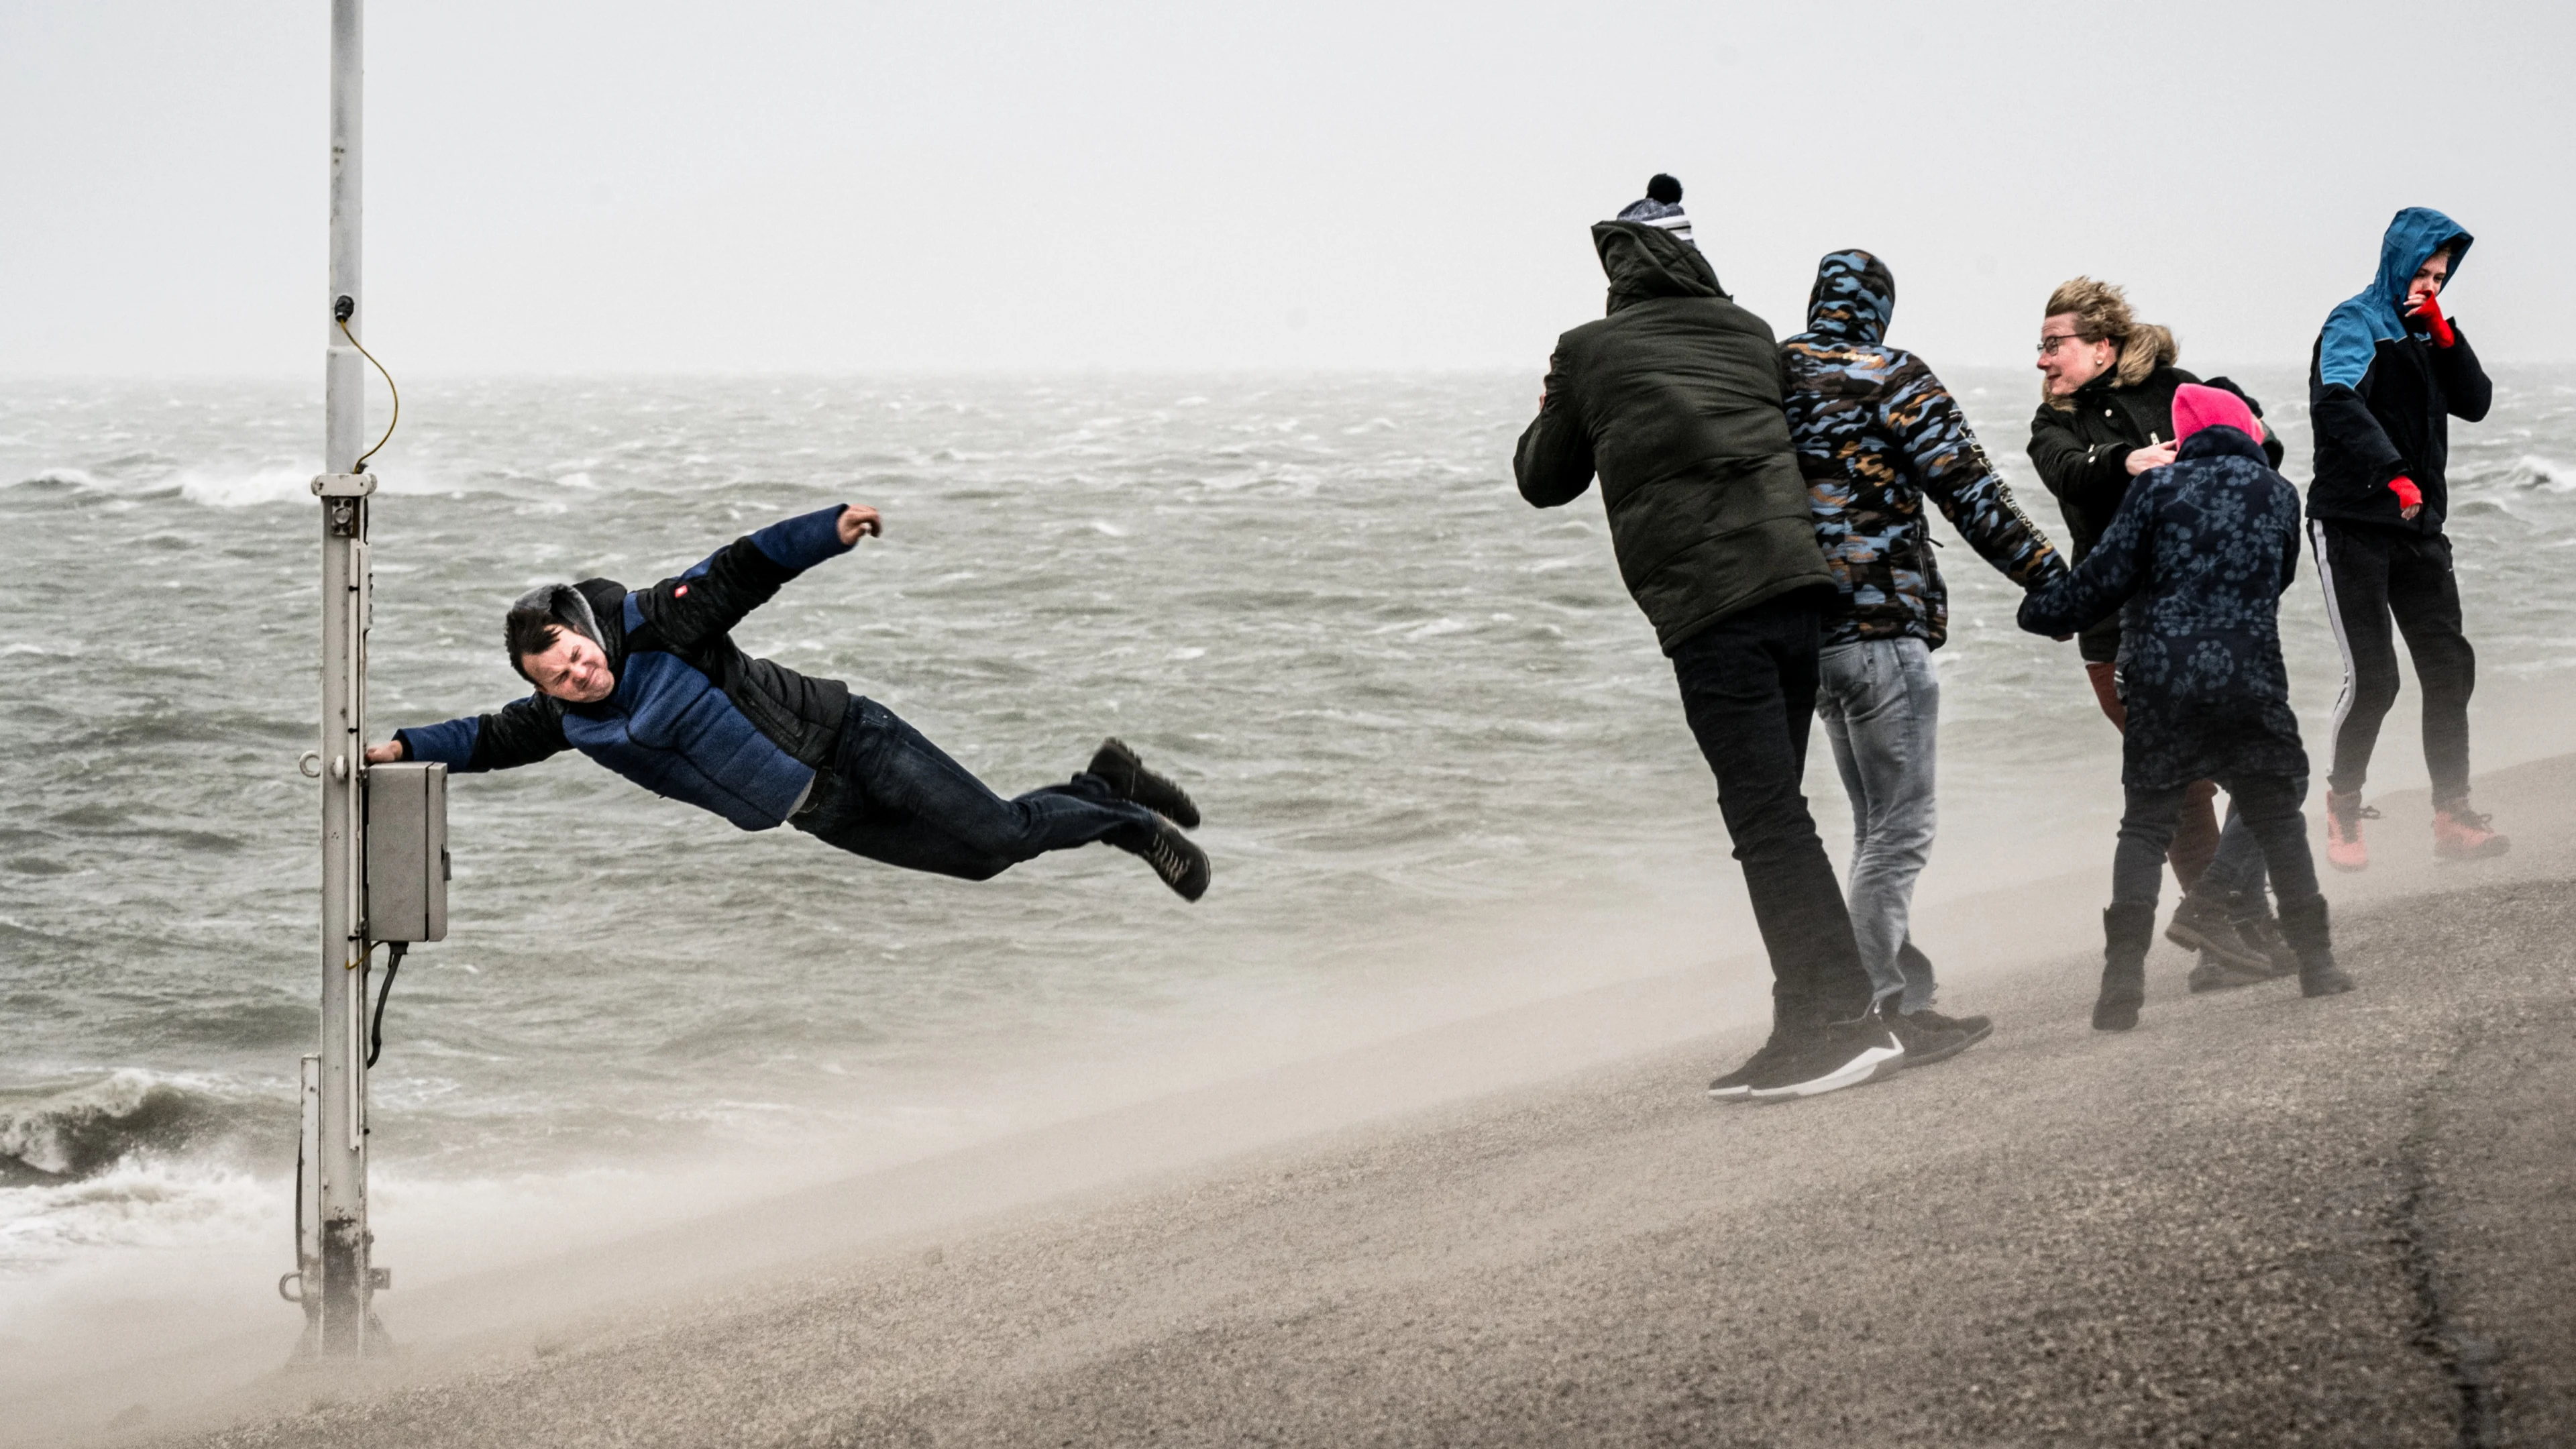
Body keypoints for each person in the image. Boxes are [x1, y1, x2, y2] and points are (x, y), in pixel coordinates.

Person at [1515, 175, 1902, 1102]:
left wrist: (1551, 396)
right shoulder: (1748, 332)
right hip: (1799, 591)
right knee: (1779, 812)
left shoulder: (1589, 351)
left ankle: (1847, 1022)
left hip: (1712, 604)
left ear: (1616, 263)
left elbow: (1541, 477)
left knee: (1766, 818)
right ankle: (1805, 1020)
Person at [365, 502, 1212, 900]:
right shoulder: (568, 720)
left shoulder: (660, 624)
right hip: (821, 810)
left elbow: (740, 569)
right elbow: (488, 737)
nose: (581, 678)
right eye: (558, 678)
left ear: (586, 630)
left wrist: (827, 531)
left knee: (1001, 831)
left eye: (579, 659)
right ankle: (1103, 781)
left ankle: (1123, 816)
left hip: (854, 742)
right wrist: (403, 749)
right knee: (987, 860)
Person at [1779, 249, 2069, 1064]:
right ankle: (1878, 1010)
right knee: (1900, 833)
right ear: (1878, 310)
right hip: (1881, 635)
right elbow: (1971, 491)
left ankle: (1910, 994)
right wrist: (2052, 580)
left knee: (1874, 828)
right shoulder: (1890, 373)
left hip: (1813, 645)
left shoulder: (1773, 376)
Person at [2019, 384, 2355, 1029]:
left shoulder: (2156, 489)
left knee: (2145, 826)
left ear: (2186, 436)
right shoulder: (2281, 495)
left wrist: (2041, 612)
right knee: (2278, 816)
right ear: (2244, 430)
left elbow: (2106, 577)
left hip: (2161, 681)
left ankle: (2120, 990)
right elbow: (2279, 576)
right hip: (2249, 677)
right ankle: (2319, 966)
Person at [2025, 277, 2289, 985]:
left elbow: (2263, 448)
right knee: (2184, 784)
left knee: (2253, 769)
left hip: (2207, 612)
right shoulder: (2055, 425)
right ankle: (2226, 942)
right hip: (2117, 634)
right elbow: (2065, 475)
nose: (2043, 361)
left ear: (2104, 345)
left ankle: (2242, 920)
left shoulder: (2180, 387)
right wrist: (2127, 460)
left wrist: (2221, 451)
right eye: (2040, 347)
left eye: (2055, 345)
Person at [2306, 206, 2504, 869]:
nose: (2429, 286)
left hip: (2419, 527)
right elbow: (2337, 402)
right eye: (2421, 272)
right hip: (2353, 523)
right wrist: (2393, 473)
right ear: (2396, 261)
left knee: (2449, 668)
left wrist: (2445, 332)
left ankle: (2452, 814)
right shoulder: (2353, 323)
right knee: (2376, 680)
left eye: (2441, 276)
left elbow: (2474, 401)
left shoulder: (2426, 329)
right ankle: (2343, 805)